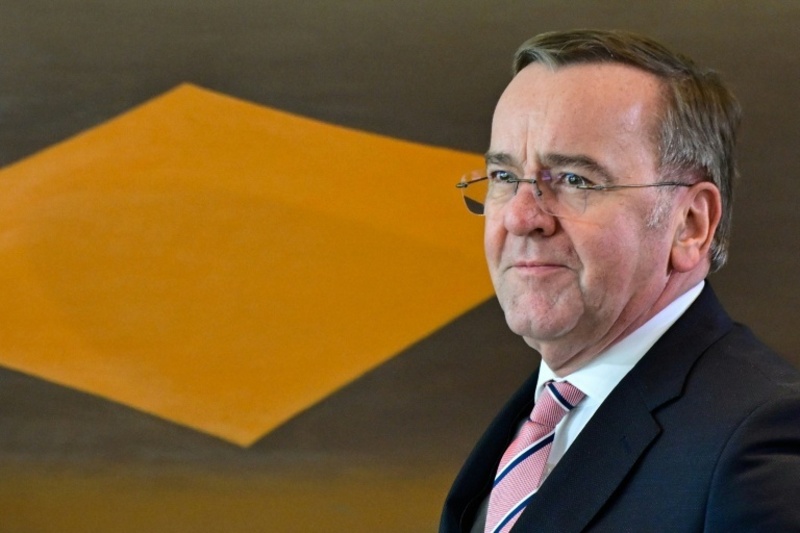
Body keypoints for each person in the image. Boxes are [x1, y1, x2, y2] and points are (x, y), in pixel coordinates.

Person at [440, 29, 800, 533]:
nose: (521, 217)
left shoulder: (759, 443)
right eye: (503, 177)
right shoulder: (536, 421)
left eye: (574, 180)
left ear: (690, 224)